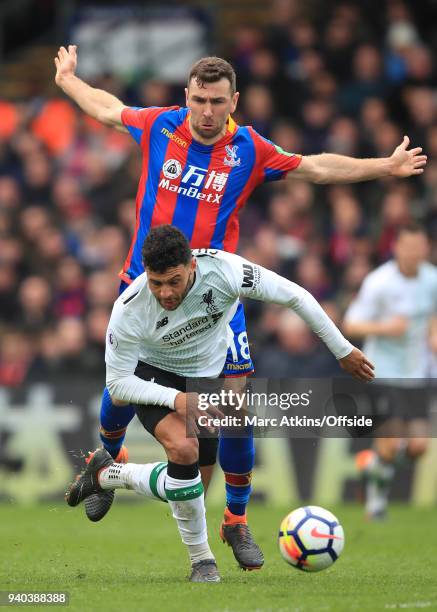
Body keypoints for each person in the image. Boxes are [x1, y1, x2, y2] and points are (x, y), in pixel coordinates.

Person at [54, 45, 426, 566]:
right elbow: (106, 108)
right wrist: (69, 80)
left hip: (216, 294)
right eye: (200, 100)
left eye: (218, 102)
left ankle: (236, 520)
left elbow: (316, 167)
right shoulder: (162, 126)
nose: (207, 112)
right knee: (120, 385)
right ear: (186, 97)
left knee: (234, 407)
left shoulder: (249, 148)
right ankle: (109, 460)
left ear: (235, 100)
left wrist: (384, 166)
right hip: (148, 283)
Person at [66, 224, 374, 581]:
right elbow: (118, 385)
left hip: (207, 375)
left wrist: (342, 350)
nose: (165, 292)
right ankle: (202, 561)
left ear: (192, 266)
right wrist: (178, 400)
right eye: (156, 282)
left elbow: (295, 296)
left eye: (174, 281)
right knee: (183, 450)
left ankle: (108, 475)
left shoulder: (225, 270)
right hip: (155, 375)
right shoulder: (129, 308)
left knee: (193, 481)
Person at [343, 224, 437, 520]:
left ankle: (373, 467)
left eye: (419, 247)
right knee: (391, 444)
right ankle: (376, 506)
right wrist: (387, 328)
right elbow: (351, 324)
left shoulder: (432, 280)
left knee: (419, 447)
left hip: (418, 372)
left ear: (426, 249)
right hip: (382, 372)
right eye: (408, 247)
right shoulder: (379, 282)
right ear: (396, 248)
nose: (414, 253)